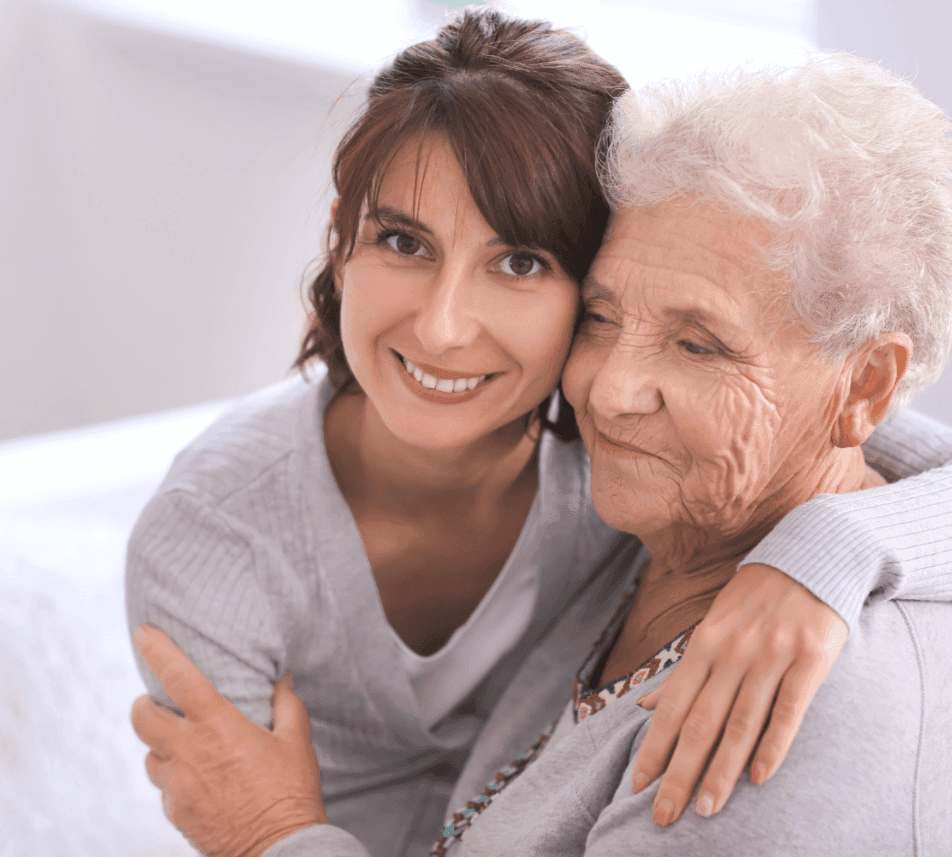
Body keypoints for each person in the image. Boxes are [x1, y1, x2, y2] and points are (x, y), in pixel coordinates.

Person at [126, 13, 952, 856]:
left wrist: (271, 833)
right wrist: (834, 543)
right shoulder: (642, 511)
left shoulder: (782, 700)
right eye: (603, 316)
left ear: (866, 386)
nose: (613, 392)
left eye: (699, 342)